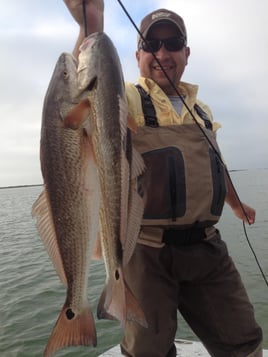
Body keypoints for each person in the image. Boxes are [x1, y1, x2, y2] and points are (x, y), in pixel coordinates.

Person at [64, 1, 263, 356]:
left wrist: (236, 204)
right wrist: (91, 26)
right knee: (147, 349)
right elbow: (85, 88)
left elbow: (214, 162)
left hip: (206, 247)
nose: (162, 52)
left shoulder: (201, 108)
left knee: (242, 340)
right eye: (152, 44)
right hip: (146, 251)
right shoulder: (126, 98)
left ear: (186, 52)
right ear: (138, 53)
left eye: (172, 43)